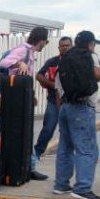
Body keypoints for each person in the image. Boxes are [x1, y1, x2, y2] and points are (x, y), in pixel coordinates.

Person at [53, 30, 100, 199]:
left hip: (66, 106)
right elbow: (99, 74)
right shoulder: (90, 56)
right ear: (90, 43)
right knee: (87, 149)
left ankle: (61, 185)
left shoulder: (66, 57)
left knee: (65, 147)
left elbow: (58, 84)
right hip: (82, 107)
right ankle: (82, 188)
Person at [0, 26, 51, 181]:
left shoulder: (30, 52)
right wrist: (18, 64)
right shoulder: (23, 50)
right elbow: (3, 63)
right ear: (41, 40)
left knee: (25, 133)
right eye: (45, 42)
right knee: (22, 132)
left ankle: (28, 167)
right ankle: (29, 167)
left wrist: (32, 95)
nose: (45, 45)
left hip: (23, 97)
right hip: (15, 99)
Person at [33, 36, 73, 168]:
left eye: (68, 45)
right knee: (48, 128)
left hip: (71, 103)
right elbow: (39, 75)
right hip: (53, 101)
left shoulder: (76, 62)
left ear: (72, 46)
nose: (65, 47)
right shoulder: (52, 61)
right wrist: (53, 85)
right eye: (63, 45)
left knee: (67, 131)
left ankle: (66, 157)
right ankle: (36, 154)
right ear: (59, 47)